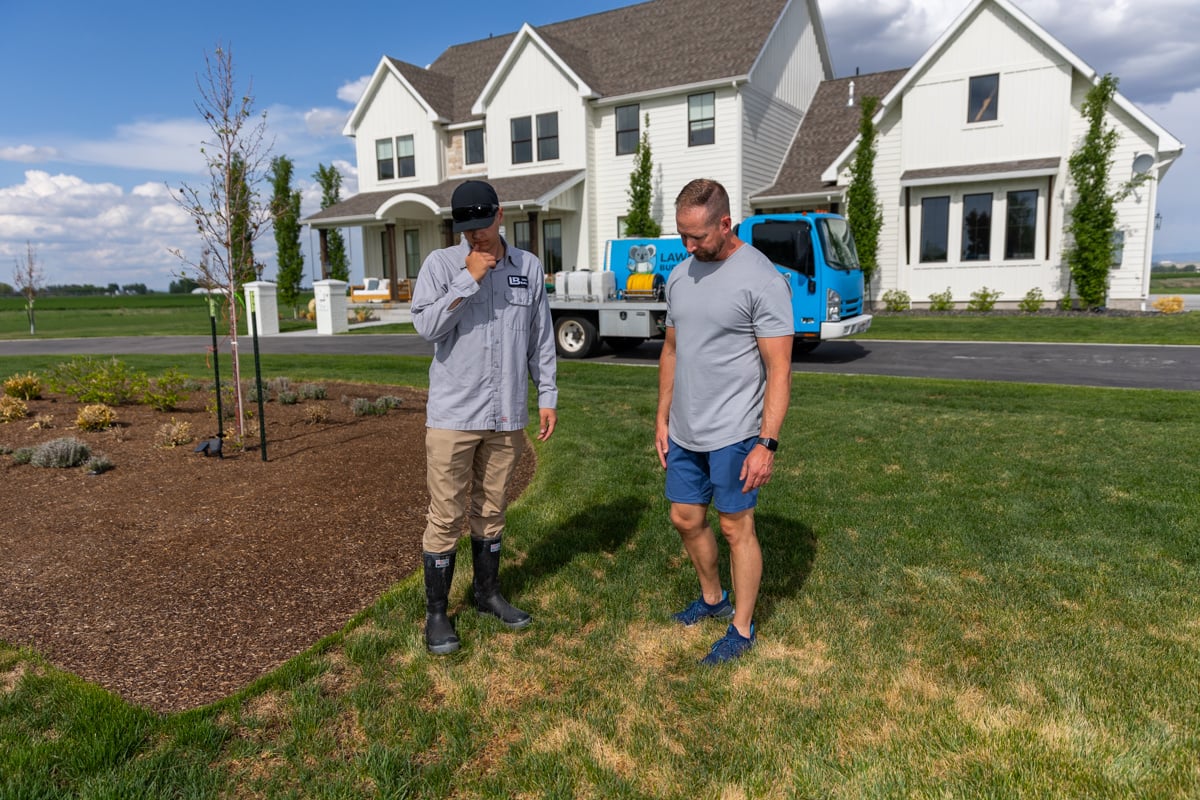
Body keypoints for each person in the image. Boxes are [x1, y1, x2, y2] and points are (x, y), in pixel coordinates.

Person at [410, 179, 558, 655]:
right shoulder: (440, 265)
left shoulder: (528, 268)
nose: (475, 236)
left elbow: (540, 338)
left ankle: (487, 593)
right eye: (467, 229)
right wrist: (467, 278)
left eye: (482, 225)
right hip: (454, 414)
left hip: (506, 413)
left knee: (492, 512)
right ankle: (437, 615)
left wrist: (547, 394)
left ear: (500, 215)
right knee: (446, 516)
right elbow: (427, 326)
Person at [655, 178, 794, 665]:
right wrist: (662, 418)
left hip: (736, 430)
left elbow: (779, 368)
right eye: (682, 236)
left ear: (725, 223)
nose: (690, 246)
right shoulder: (680, 276)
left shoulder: (761, 278)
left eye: (698, 236)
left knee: (736, 528)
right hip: (686, 428)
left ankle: (742, 627)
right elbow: (671, 350)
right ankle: (713, 598)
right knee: (685, 517)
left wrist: (767, 442)